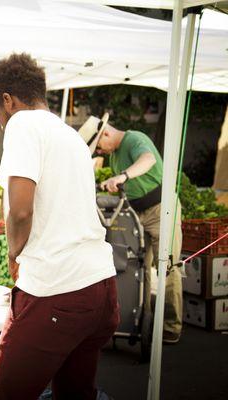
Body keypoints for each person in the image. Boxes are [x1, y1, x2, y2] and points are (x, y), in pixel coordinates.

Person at [0, 54, 119, 400]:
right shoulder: (69, 135)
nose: (0, 122)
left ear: (7, 101)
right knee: (75, 393)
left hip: (57, 291)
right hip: (100, 288)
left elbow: (22, 210)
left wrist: (14, 252)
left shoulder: (22, 124)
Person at [91, 118, 183, 344]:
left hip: (162, 210)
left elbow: (148, 159)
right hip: (137, 213)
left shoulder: (134, 139)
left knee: (168, 266)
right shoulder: (113, 154)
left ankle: (172, 326)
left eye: (99, 146)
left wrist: (123, 176)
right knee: (141, 267)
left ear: (106, 134)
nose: (100, 151)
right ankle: (145, 319)